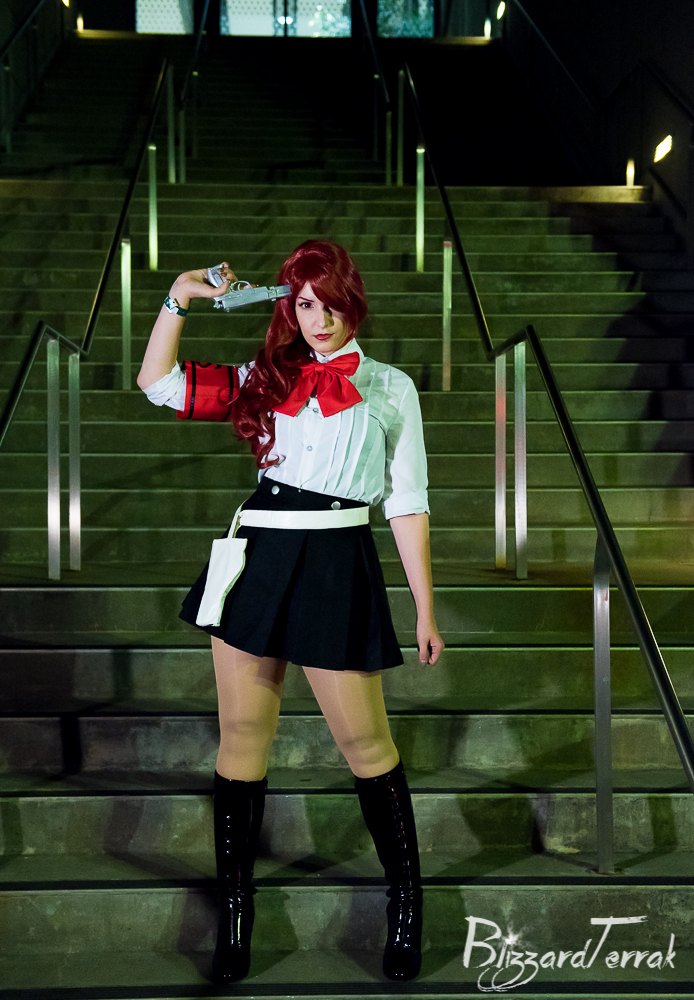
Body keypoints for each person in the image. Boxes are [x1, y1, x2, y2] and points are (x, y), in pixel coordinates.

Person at [137, 239, 444, 985]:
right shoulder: (264, 377)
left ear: (352, 301)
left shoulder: (390, 386)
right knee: (242, 738)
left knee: (365, 743)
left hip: (337, 560)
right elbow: (158, 384)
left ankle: (408, 906)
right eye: (305, 304)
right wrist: (180, 296)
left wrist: (424, 610)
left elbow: (406, 501)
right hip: (261, 555)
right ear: (288, 308)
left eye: (331, 303)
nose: (319, 318)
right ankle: (235, 918)